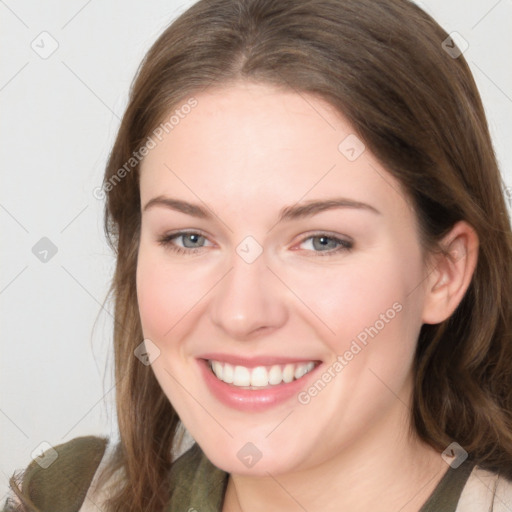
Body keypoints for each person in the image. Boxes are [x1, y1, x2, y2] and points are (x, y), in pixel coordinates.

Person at [4, 0, 512, 510]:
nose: (241, 313)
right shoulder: (66, 498)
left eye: (321, 241)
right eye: (190, 238)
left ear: (443, 272)